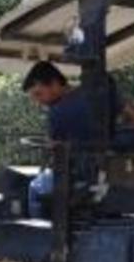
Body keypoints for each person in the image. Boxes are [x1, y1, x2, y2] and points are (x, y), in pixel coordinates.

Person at [22, 61, 123, 218]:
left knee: (35, 187)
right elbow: (133, 113)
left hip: (79, 175)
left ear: (55, 84)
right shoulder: (100, 96)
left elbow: (57, 150)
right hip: (112, 170)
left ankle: (45, 231)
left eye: (38, 94)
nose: (38, 101)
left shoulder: (57, 112)